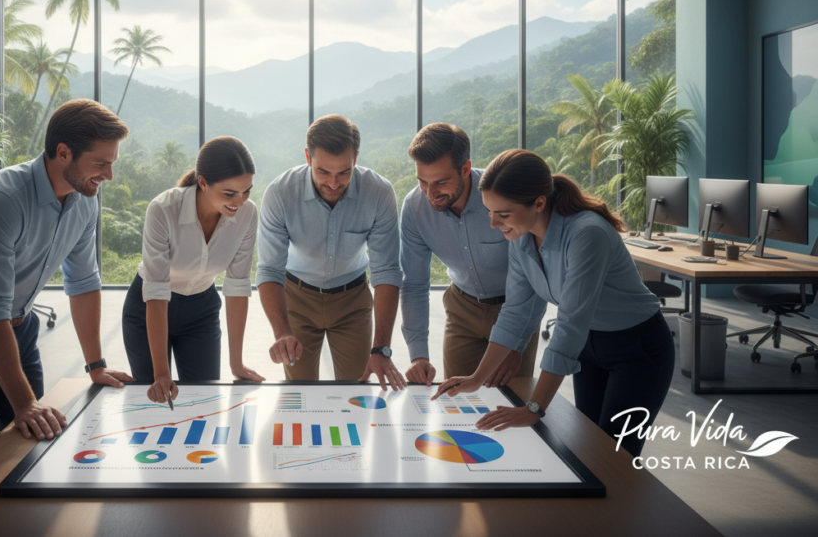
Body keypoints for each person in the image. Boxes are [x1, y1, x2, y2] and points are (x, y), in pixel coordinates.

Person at [0, 99, 134, 477]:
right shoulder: (0, 200)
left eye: (112, 163)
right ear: (63, 153)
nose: (109, 176)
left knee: (35, 442)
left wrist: (96, 366)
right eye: (101, 164)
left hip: (19, 329)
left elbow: (84, 283)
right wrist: (23, 404)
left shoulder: (85, 200)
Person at [433, 149, 674, 456]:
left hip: (638, 349)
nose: (493, 224)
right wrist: (476, 379)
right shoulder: (521, 237)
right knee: (590, 446)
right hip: (589, 348)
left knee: (617, 456)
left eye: (503, 214)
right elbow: (515, 313)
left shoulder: (587, 234)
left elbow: (570, 324)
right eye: (489, 212)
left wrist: (534, 407)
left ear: (538, 203)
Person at [256, 114, 405, 389]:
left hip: (353, 301)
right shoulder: (279, 193)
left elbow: (386, 272)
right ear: (307, 157)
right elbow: (269, 270)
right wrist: (281, 333)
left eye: (344, 172)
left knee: (355, 391)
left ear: (356, 159)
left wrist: (382, 348)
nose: (334, 183)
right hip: (297, 300)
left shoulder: (379, 193)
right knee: (300, 393)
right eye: (323, 172)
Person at [122, 136, 264, 404]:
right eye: (230, 193)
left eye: (246, 191)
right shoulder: (163, 209)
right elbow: (156, 291)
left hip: (201, 311)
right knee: (154, 401)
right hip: (147, 310)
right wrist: (162, 374)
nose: (240, 201)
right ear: (203, 183)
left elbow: (236, 286)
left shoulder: (247, 214)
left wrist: (237, 364)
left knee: (204, 400)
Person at [400, 123, 542, 387]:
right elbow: (415, 285)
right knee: (458, 399)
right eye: (422, 181)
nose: (430, 194)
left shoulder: (504, 196)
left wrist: (518, 343)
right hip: (461, 309)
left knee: (510, 401)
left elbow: (534, 278)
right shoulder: (414, 208)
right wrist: (417, 354)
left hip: (513, 306)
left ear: (465, 169)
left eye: (440, 182)